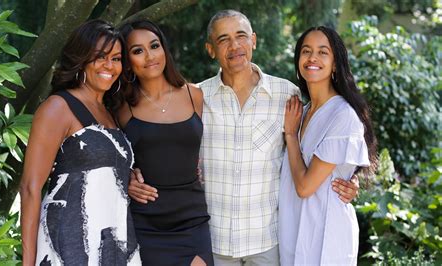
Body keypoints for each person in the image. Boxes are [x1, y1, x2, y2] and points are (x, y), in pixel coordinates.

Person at [128, 10, 360, 265]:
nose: (234, 45)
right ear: (210, 49)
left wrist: (352, 178)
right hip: (214, 240)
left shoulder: (287, 95)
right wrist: (130, 173)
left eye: (241, 36)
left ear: (254, 41)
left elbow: (323, 144)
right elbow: (163, 144)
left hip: (267, 241)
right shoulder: (196, 98)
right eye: (223, 39)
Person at [19, 19, 140, 265]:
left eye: (116, 59)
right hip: (69, 246)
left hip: (114, 243)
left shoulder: (109, 112)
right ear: (82, 58)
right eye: (100, 57)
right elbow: (30, 188)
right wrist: (28, 262)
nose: (109, 66)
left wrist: (130, 176)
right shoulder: (58, 108)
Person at [113, 20, 213, 266]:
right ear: (127, 61)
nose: (149, 56)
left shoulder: (194, 95)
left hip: (192, 218)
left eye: (154, 46)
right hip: (146, 221)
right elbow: (107, 156)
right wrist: (124, 179)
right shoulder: (121, 107)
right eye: (137, 51)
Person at [279, 26, 378, 265]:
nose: (312, 58)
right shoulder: (299, 112)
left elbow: (304, 187)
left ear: (335, 64)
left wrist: (291, 136)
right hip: (291, 233)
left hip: (325, 239)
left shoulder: (342, 115)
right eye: (306, 51)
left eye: (323, 52)